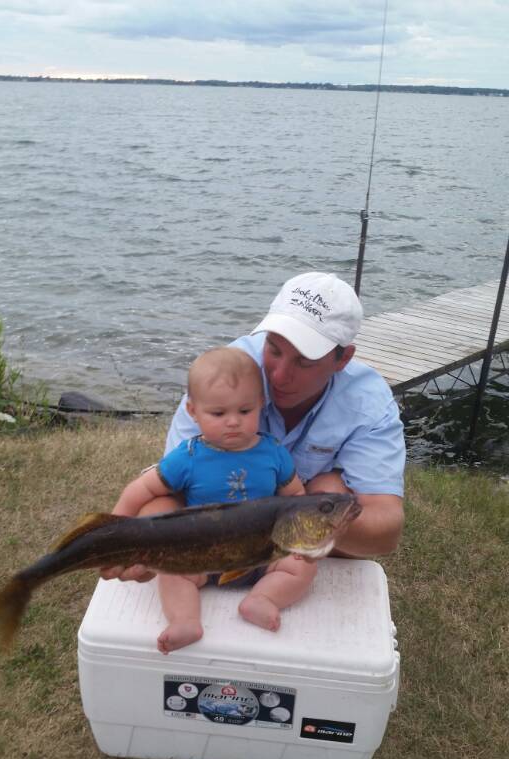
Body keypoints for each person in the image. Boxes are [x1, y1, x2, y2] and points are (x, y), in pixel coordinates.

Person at [103, 270, 405, 582]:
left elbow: (386, 529)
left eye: (304, 361)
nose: (279, 376)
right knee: (156, 509)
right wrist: (139, 538)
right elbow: (175, 487)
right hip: (213, 510)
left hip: (294, 522)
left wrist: (311, 521)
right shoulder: (221, 377)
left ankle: (272, 567)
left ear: (343, 359)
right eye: (273, 348)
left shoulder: (369, 402)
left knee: (331, 490)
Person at [110, 347, 317, 654]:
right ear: (193, 411)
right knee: (170, 571)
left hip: (262, 554)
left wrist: (301, 540)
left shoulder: (274, 453)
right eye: (218, 414)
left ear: (261, 404)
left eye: (244, 411)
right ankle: (185, 620)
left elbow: (296, 498)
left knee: (303, 567)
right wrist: (115, 528)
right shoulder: (187, 458)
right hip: (202, 557)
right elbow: (142, 489)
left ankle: (262, 598)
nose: (233, 422)